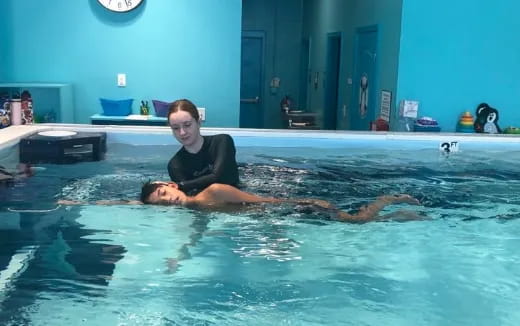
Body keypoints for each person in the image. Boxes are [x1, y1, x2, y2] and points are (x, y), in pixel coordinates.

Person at [139, 182, 421, 223]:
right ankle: (401, 215)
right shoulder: (195, 210)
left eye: (164, 194)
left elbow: (264, 200)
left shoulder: (213, 192)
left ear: (171, 185)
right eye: (162, 205)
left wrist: (308, 201)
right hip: (286, 216)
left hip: (297, 207)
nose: (169, 201)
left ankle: (389, 199)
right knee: (361, 224)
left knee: (357, 223)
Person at [167, 99, 239, 194]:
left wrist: (181, 185)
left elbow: (219, 177)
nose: (182, 132)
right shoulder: (175, 165)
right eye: (176, 128)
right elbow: (188, 198)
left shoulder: (222, 142)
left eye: (187, 125)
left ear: (199, 122)